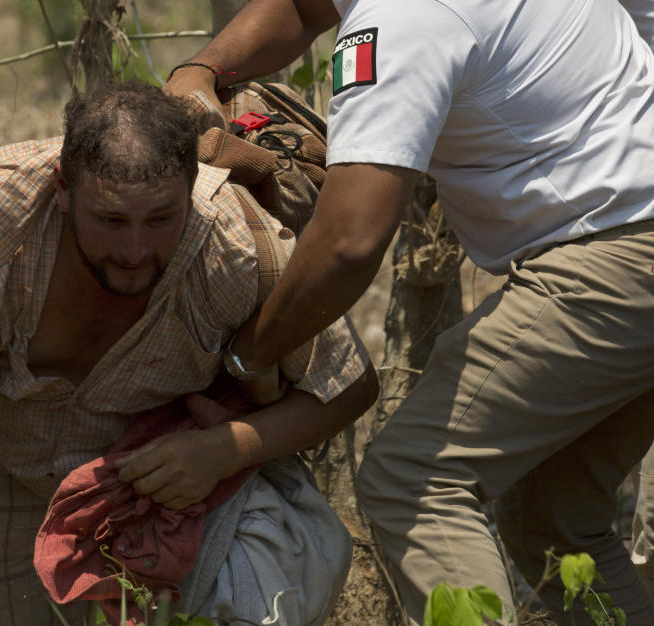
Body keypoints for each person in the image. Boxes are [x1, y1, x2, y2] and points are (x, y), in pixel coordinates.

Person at [165, 0, 654, 623]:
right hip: (630, 230)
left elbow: (349, 241)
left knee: (413, 481)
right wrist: (203, 68)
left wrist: (250, 354)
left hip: (617, 254)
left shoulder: (399, 20)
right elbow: (305, 5)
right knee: (555, 519)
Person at [0, 81, 377, 625]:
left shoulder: (235, 251)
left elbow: (348, 386)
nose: (135, 252)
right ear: (63, 188)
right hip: (8, 461)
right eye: (111, 221)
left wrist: (222, 452)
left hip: (164, 491)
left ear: (191, 186)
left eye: (161, 220)